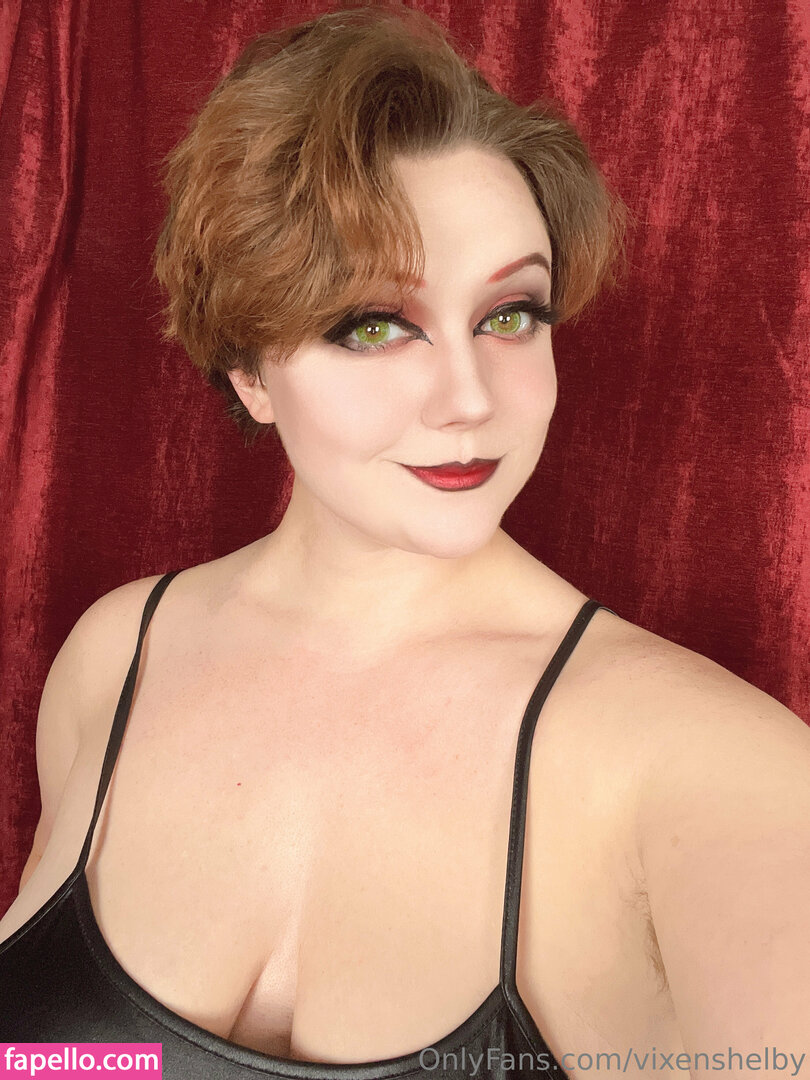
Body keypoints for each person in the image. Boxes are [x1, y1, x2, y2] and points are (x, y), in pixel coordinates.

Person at [1, 4, 808, 1078]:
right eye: (374, 324)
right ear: (248, 369)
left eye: (510, 314)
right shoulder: (117, 659)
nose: (468, 398)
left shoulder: (716, 774)